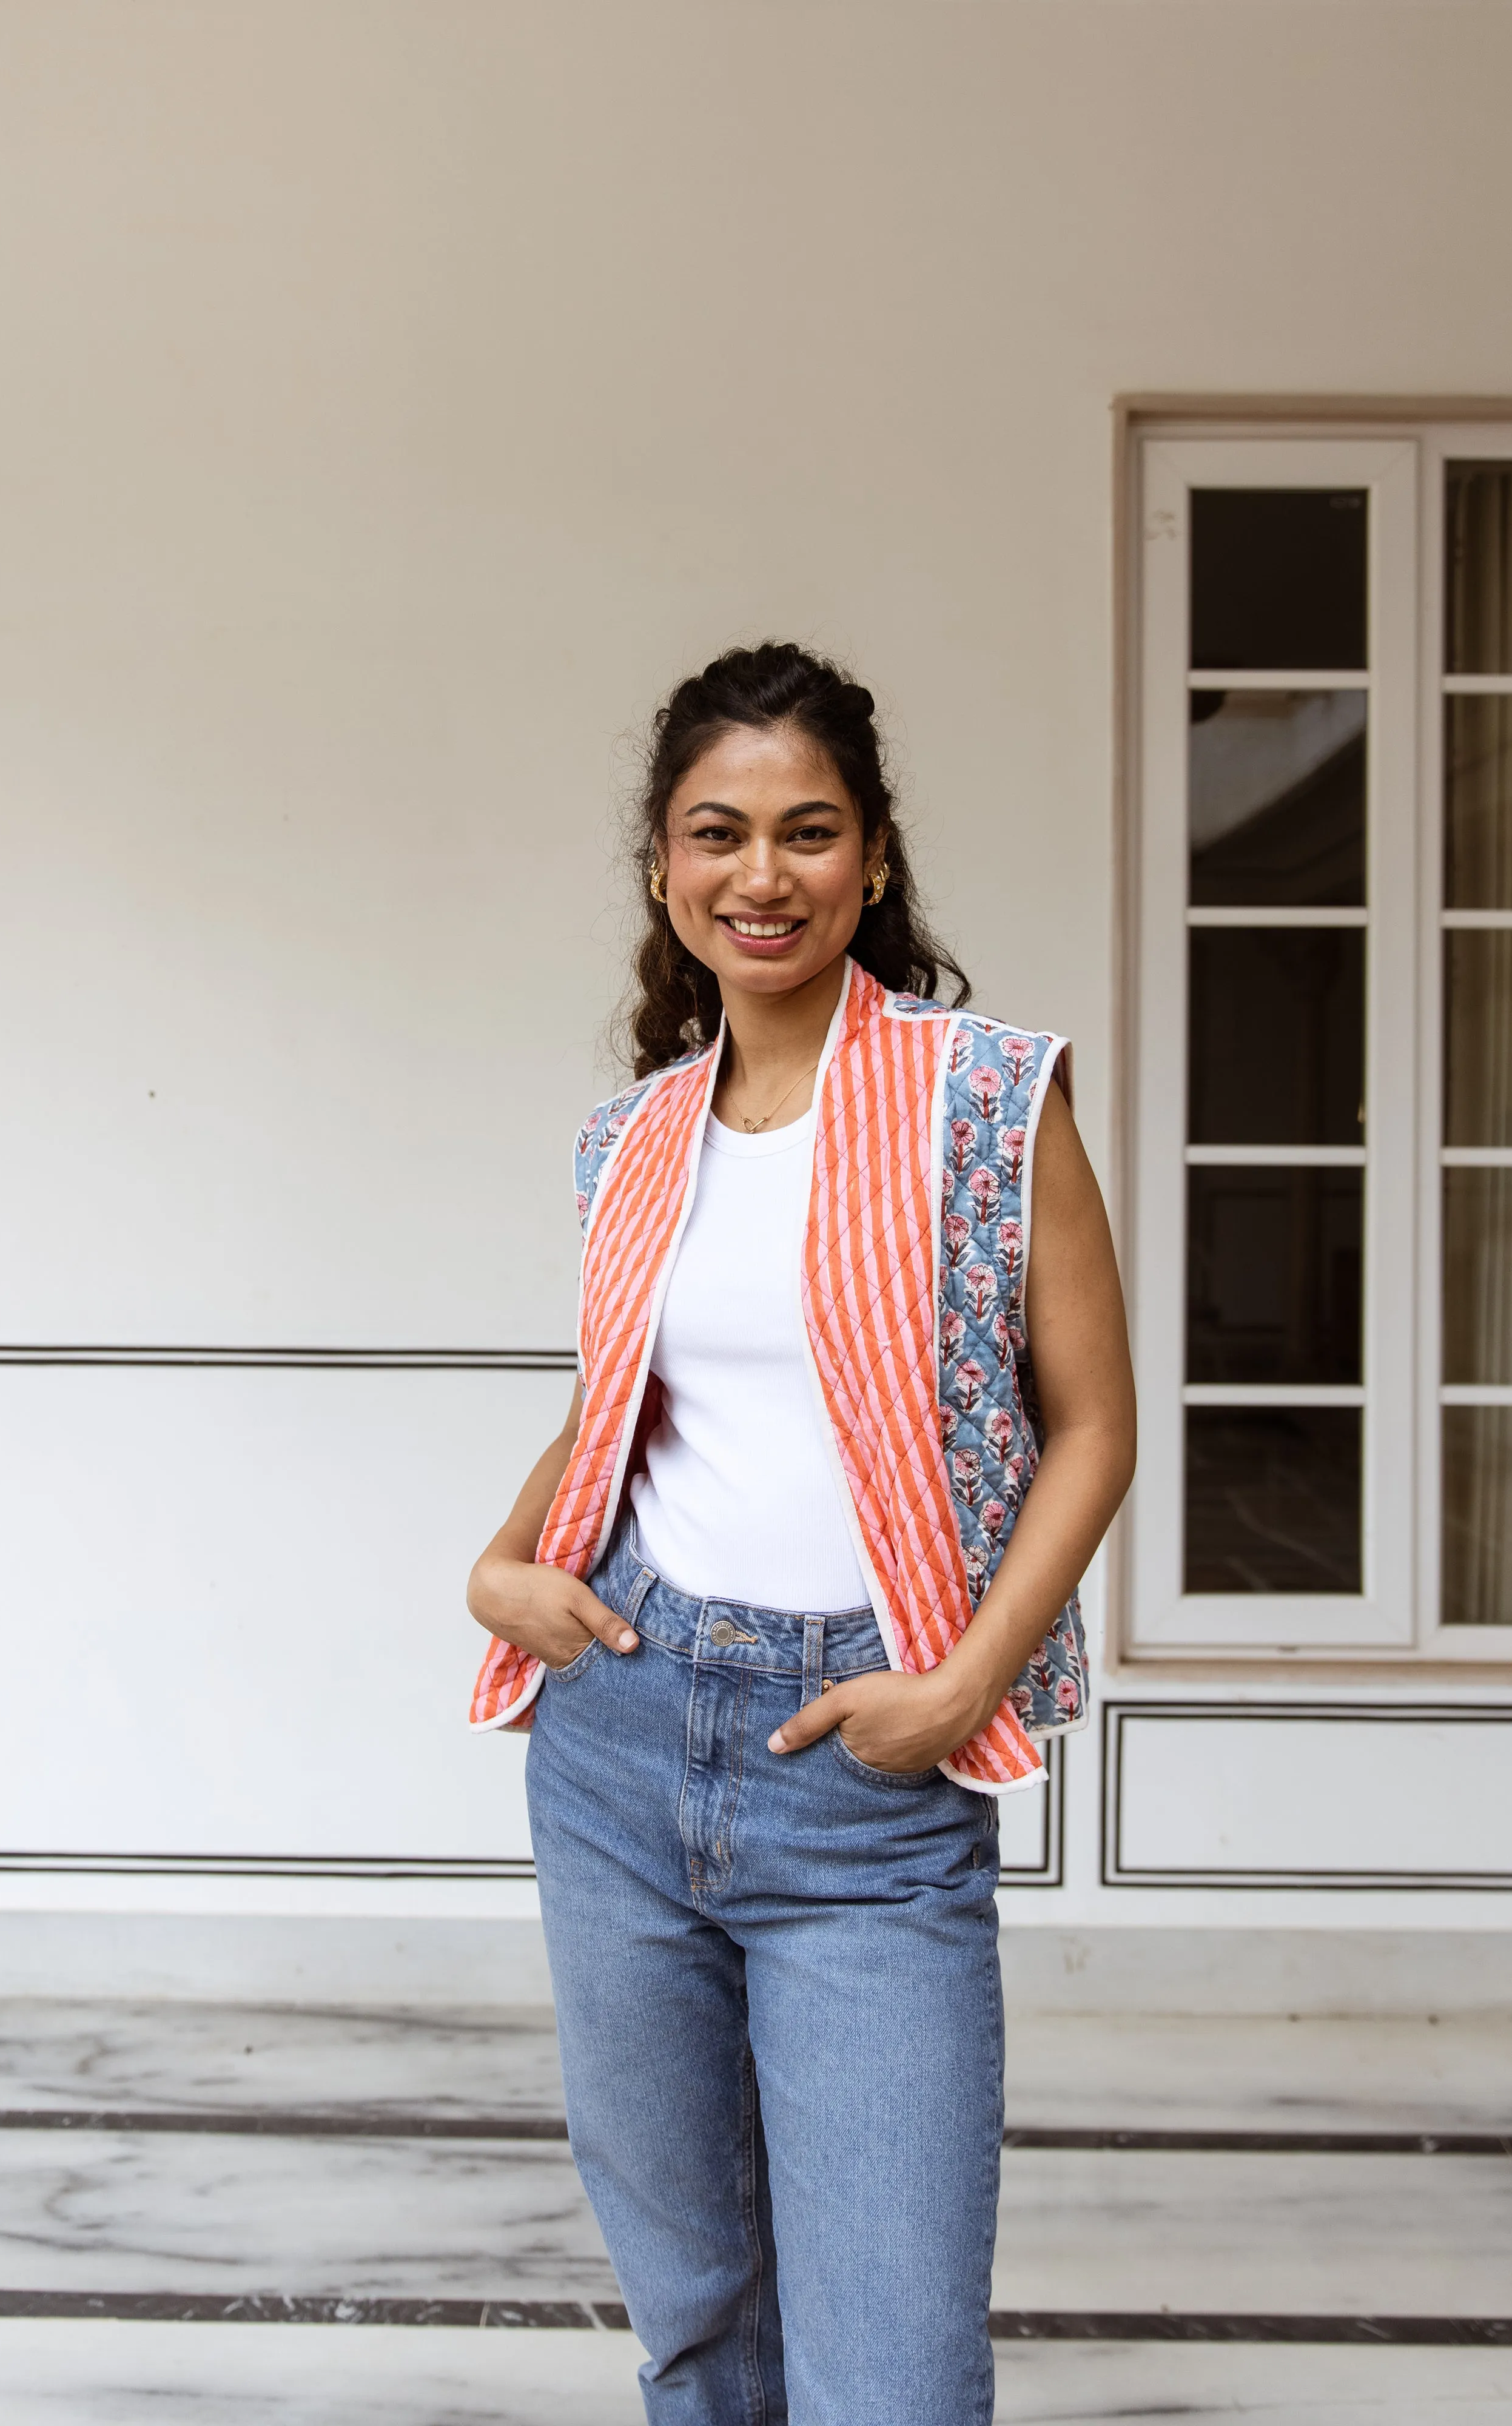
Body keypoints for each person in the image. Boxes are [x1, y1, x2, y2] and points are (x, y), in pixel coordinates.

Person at [467, 642, 1135, 2426]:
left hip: (863, 1770)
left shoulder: (987, 1098)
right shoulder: (635, 1136)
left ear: (876, 859)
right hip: (617, 1743)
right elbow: (623, 1394)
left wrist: (957, 1685)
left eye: (806, 832)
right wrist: (497, 1561)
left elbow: (1095, 1424)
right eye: (717, 833)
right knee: (696, 2323)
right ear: (663, 870)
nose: (760, 874)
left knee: (890, 2371)